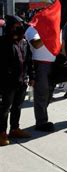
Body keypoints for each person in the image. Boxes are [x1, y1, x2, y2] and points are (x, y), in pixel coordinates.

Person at [0, 15, 33, 146]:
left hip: (22, 81)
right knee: (4, 108)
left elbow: (29, 61)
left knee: (17, 107)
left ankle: (14, 129)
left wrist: (32, 76)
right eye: (16, 26)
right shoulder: (2, 42)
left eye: (20, 26)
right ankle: (2, 133)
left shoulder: (24, 42)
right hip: (7, 83)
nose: (19, 28)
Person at [25, 23, 57, 132]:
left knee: (49, 93)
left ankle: (42, 117)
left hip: (53, 64)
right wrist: (49, 34)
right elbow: (36, 44)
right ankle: (41, 122)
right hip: (40, 64)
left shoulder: (53, 26)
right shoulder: (32, 29)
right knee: (41, 94)